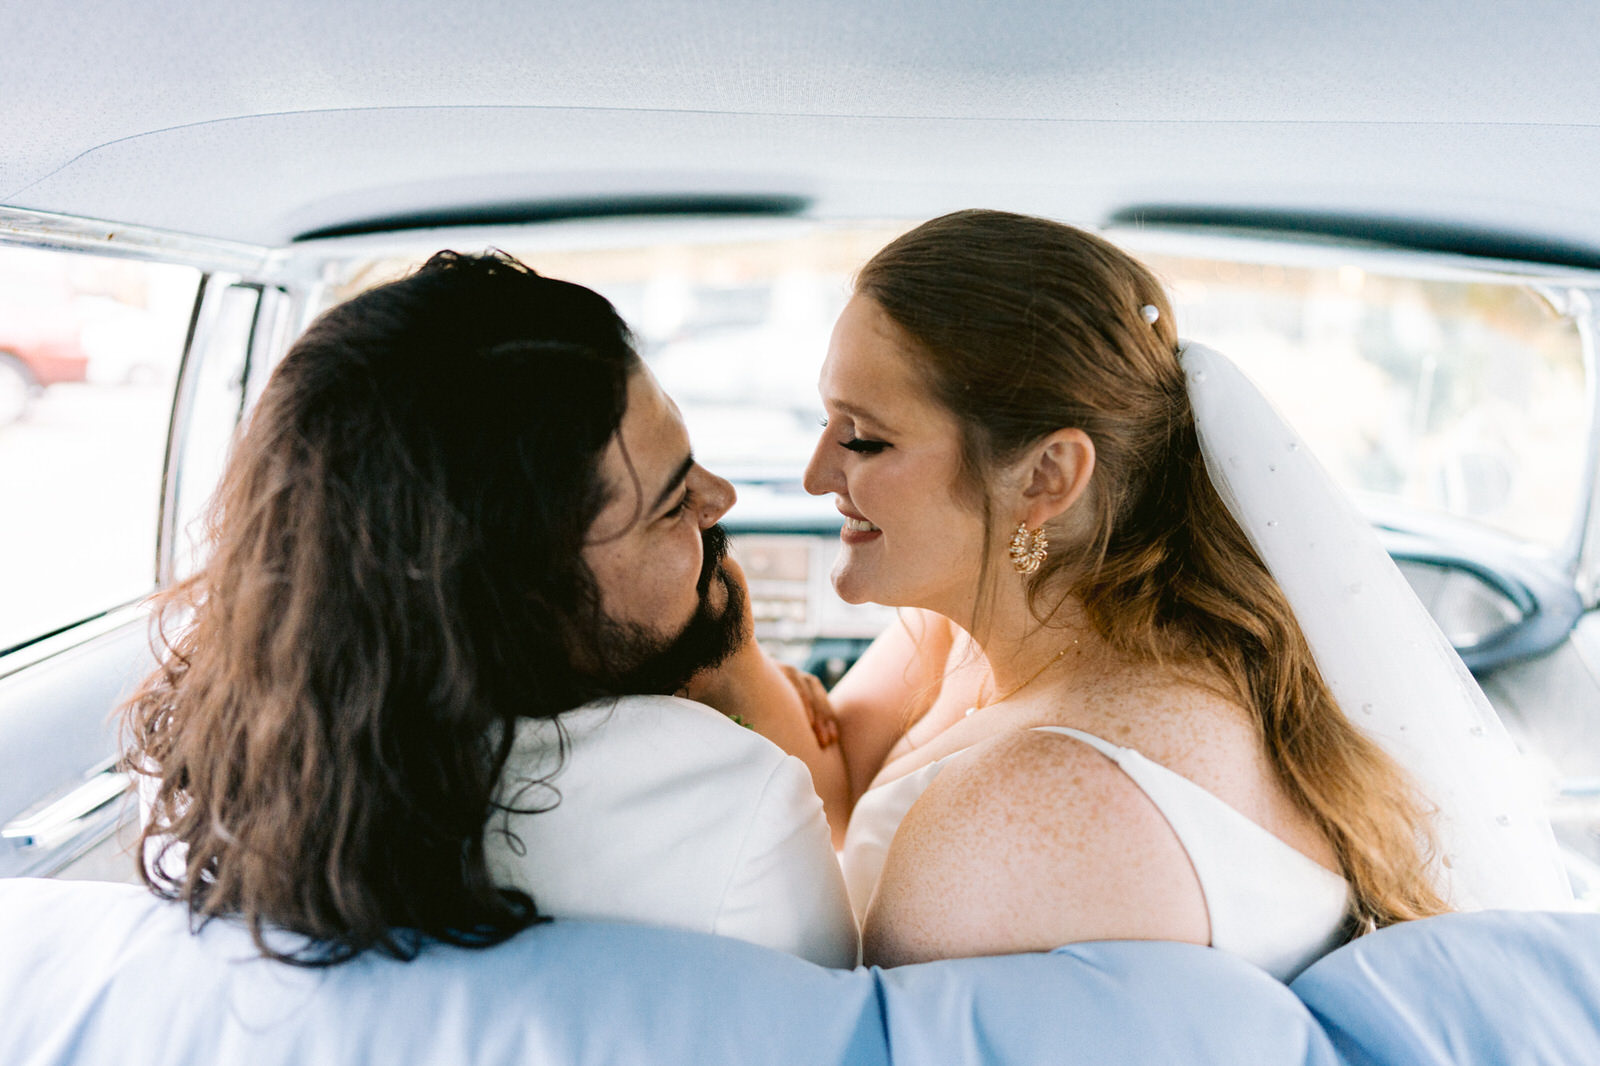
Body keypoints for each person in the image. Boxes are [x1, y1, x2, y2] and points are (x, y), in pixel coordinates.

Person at [798, 210, 1570, 980]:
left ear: (1047, 477)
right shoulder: (975, 632)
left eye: (864, 438)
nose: (815, 476)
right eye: (826, 419)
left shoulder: (1028, 808)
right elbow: (828, 776)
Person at [121, 251, 857, 968]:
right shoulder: (734, 812)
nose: (720, 497)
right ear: (523, 600)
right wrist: (732, 673)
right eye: (671, 504)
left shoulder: (204, 782)